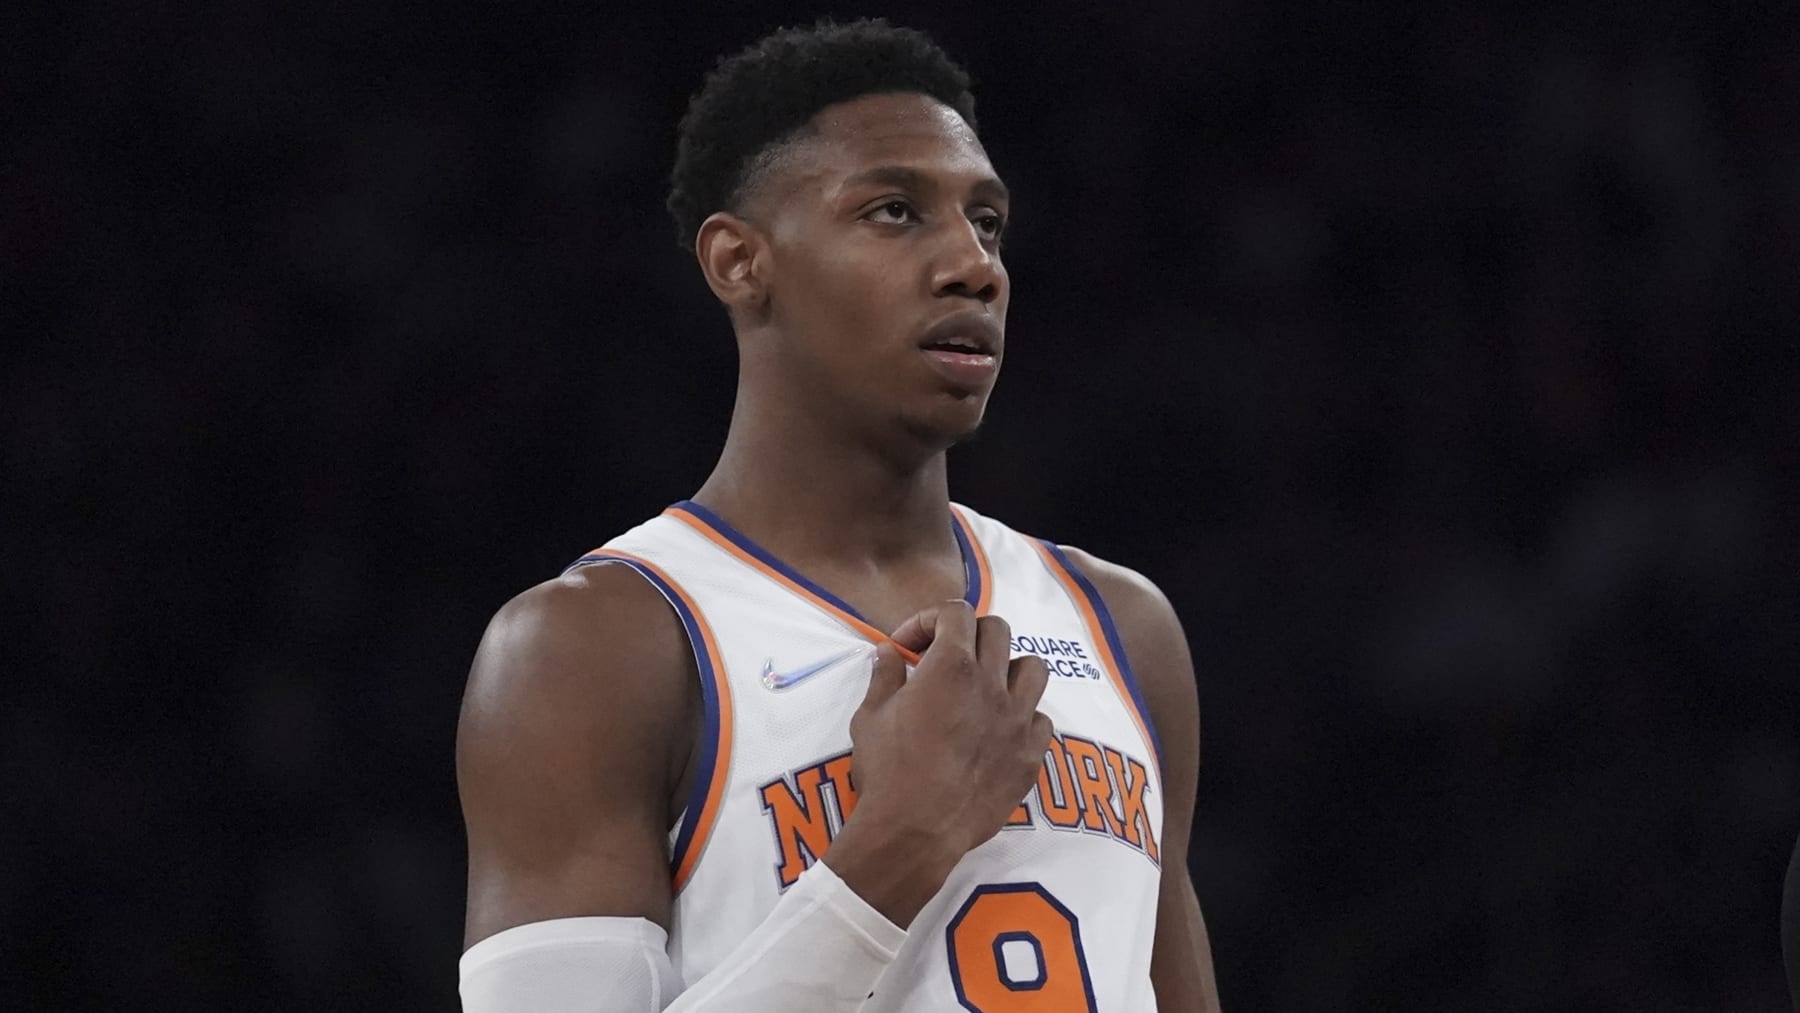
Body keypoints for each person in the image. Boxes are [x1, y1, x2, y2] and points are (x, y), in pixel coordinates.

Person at [456, 18, 1221, 1012]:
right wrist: (897, 846)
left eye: (986, 222)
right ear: (740, 262)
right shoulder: (594, 646)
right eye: (896, 211)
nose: (973, 265)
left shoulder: (1125, 624)